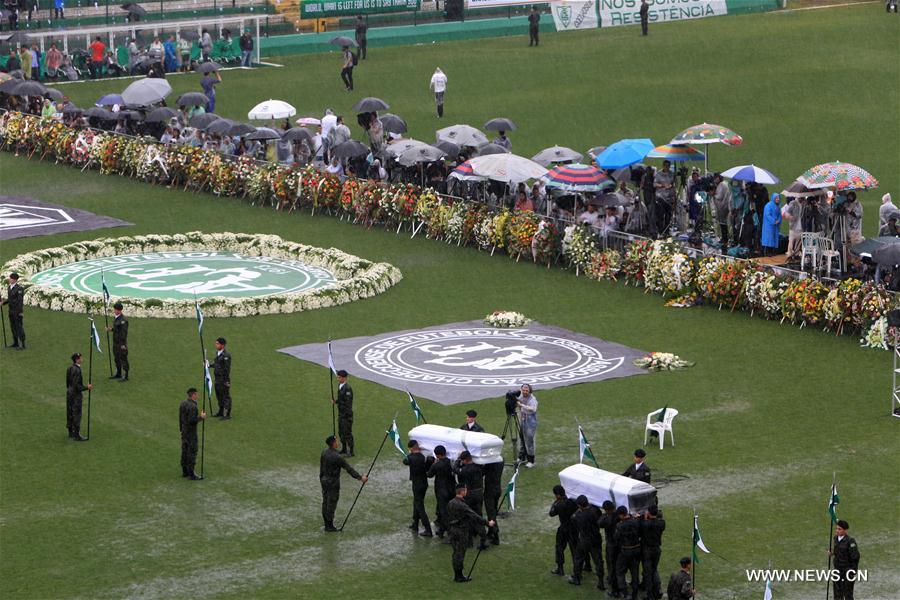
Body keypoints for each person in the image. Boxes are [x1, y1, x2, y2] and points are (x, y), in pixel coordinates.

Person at [447, 483, 495, 582]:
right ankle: (459, 576)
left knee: (455, 552)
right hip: (461, 531)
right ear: (462, 491)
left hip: (452, 530)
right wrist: (487, 523)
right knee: (460, 553)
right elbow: (474, 516)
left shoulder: (450, 503)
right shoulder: (462, 505)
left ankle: (457, 574)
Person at [320, 435, 367, 531]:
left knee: (325, 502)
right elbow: (349, 469)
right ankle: (329, 526)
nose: (338, 443)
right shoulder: (337, 457)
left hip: (324, 481)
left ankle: (326, 523)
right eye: (336, 441)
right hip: (333, 483)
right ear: (333, 443)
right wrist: (360, 478)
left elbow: (321, 468)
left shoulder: (324, 453)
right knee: (331, 503)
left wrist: (321, 478)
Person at [568, 495, 605, 589]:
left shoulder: (579, 515)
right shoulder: (595, 510)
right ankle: (601, 583)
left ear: (580, 505)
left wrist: (578, 511)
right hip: (596, 539)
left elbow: (573, 519)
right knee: (598, 561)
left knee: (578, 558)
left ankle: (577, 578)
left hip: (585, 539)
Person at [454, 451, 487, 548]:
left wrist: (457, 459)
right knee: (479, 515)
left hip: (471, 494)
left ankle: (469, 541)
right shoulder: (479, 467)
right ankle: (483, 540)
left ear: (465, 460)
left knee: (468, 515)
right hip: (480, 492)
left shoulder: (467, 469)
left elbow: (456, 470)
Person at [402, 439, 434, 536]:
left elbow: (405, 461)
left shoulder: (411, 457)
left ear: (411, 448)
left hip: (417, 484)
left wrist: (409, 454)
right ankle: (415, 524)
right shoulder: (423, 457)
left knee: (419, 506)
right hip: (424, 483)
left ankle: (428, 529)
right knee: (416, 502)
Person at [427, 444, 456, 538]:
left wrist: (432, 464)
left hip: (441, 491)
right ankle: (441, 531)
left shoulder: (437, 465)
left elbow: (429, 474)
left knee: (444, 513)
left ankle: (450, 533)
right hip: (451, 489)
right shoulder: (451, 462)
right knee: (449, 511)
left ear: (437, 455)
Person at [549, 484, 578, 576]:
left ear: (557, 495)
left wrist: (555, 502)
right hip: (573, 528)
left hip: (564, 528)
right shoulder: (572, 502)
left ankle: (560, 569)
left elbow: (551, 513)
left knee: (559, 548)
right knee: (575, 550)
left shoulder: (559, 504)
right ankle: (577, 571)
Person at [614, 506, 642, 600]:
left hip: (626, 551)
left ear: (621, 515)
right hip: (637, 549)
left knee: (620, 571)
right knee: (635, 572)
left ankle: (625, 593)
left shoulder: (619, 525)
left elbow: (616, 538)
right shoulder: (636, 521)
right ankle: (635, 593)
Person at [829, 519, 860, 600]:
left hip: (847, 571)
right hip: (837, 570)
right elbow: (838, 551)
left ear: (845, 530)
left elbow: (855, 557)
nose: (837, 531)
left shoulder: (850, 541)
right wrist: (832, 553)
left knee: (847, 594)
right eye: (836, 528)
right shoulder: (835, 538)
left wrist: (852, 571)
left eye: (839, 529)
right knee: (837, 593)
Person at [179, 388, 206, 479]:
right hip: (191, 433)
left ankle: (185, 472)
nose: (198, 395)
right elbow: (192, 421)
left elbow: (180, 418)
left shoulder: (183, 403)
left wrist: (181, 429)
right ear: (193, 395)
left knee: (184, 451)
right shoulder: (193, 407)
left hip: (184, 432)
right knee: (192, 452)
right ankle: (191, 474)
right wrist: (201, 417)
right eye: (196, 394)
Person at [641, 505, 665, 600]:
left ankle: (649, 595)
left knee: (648, 573)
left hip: (647, 550)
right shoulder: (662, 523)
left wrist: (646, 518)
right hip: (657, 549)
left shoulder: (645, 524)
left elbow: (643, 526)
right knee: (654, 570)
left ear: (649, 513)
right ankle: (657, 590)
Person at [66, 353, 92, 441]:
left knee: (69, 412)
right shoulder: (77, 370)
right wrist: (87, 387)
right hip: (76, 395)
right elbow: (77, 386)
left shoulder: (69, 368)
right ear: (77, 360)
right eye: (80, 358)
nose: (82, 359)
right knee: (77, 413)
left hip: (69, 393)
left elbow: (67, 382)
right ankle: (77, 435)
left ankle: (70, 432)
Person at [101, 302, 129, 380]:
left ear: (120, 310)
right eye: (115, 309)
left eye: (117, 310)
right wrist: (111, 329)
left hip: (121, 343)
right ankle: (118, 374)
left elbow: (124, 333)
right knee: (116, 358)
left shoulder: (123, 320)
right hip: (115, 343)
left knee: (123, 359)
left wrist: (123, 344)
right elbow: (117, 329)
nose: (116, 311)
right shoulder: (116, 318)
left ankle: (126, 375)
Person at [598, 501, 620, 595]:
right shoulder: (619, 515)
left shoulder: (608, 518)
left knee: (611, 564)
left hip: (611, 544)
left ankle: (614, 585)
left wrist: (605, 515)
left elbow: (599, 523)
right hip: (619, 544)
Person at [481, 458, 503, 545]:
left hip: (490, 491)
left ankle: (495, 536)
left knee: (491, 515)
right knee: (493, 512)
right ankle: (491, 532)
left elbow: (481, 472)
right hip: (497, 489)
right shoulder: (501, 460)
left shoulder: (490, 464)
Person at [210, 337, 232, 418]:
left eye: (217, 343)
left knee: (225, 396)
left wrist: (226, 381)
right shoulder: (218, 353)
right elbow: (217, 365)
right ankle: (221, 411)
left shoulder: (226, 355)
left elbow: (227, 369)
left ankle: (227, 414)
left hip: (223, 380)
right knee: (219, 396)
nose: (216, 345)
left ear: (222, 345)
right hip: (217, 379)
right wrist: (208, 365)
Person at [334, 369, 354, 456]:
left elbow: (348, 404)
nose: (338, 378)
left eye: (339, 377)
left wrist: (345, 415)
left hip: (346, 416)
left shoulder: (348, 389)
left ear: (344, 378)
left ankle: (351, 451)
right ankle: (344, 449)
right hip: (341, 415)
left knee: (347, 433)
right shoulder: (340, 386)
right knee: (341, 432)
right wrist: (336, 402)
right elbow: (342, 399)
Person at [517, 383, 537, 466]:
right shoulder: (521, 397)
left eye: (526, 390)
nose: (524, 392)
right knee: (522, 438)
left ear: (530, 391)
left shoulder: (532, 399)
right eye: (523, 390)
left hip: (530, 422)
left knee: (529, 441)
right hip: (522, 420)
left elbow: (533, 409)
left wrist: (521, 405)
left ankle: (531, 460)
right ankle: (522, 456)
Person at [3, 273, 25, 349]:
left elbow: (20, 301)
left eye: (11, 278)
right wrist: (3, 303)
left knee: (19, 327)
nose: (9, 279)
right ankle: (15, 342)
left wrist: (20, 312)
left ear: (15, 280)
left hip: (17, 311)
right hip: (11, 311)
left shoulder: (19, 289)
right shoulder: (9, 287)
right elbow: (10, 299)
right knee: (13, 327)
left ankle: (22, 344)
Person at [654, 160, 676, 236]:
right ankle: (660, 231)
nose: (667, 167)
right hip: (660, 197)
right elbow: (654, 184)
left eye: (668, 166)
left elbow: (674, 184)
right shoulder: (658, 174)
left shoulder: (671, 174)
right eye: (665, 165)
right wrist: (663, 186)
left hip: (669, 198)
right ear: (663, 166)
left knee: (668, 215)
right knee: (660, 215)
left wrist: (672, 186)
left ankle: (666, 231)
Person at [712, 173, 731, 247]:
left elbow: (719, 196)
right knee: (722, 223)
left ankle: (725, 239)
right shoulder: (722, 184)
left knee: (723, 224)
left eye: (716, 178)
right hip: (722, 207)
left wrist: (714, 194)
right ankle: (724, 238)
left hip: (723, 207)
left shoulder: (722, 185)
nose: (715, 180)